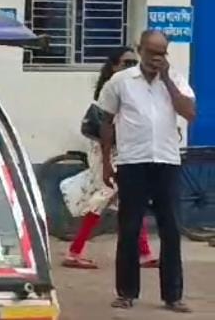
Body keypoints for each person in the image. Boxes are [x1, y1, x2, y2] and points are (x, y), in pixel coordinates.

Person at [98, 30, 196, 313]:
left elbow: (189, 113)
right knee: (129, 229)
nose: (157, 59)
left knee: (171, 229)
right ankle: (126, 292)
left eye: (162, 53)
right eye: (152, 52)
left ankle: (173, 296)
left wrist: (167, 79)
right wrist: (106, 162)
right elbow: (106, 120)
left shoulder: (174, 78)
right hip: (133, 162)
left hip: (166, 162)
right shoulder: (121, 82)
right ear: (140, 50)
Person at [59, 46, 157, 270]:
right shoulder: (112, 89)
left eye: (135, 63)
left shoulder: (132, 87)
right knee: (106, 194)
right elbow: (108, 127)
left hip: (122, 150)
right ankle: (74, 251)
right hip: (106, 151)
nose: (132, 67)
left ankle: (144, 253)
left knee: (131, 199)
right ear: (114, 66)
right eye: (126, 63)